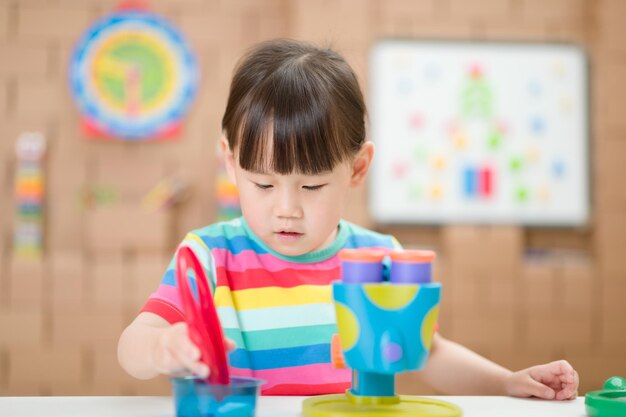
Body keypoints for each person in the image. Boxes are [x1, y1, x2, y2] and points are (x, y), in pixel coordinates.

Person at [117, 38, 579, 399]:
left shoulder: (378, 261)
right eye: (262, 184)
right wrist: (162, 348)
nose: (286, 208)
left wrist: (508, 383)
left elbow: (426, 351)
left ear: (357, 168)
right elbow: (133, 344)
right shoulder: (207, 257)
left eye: (312, 186)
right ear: (230, 161)